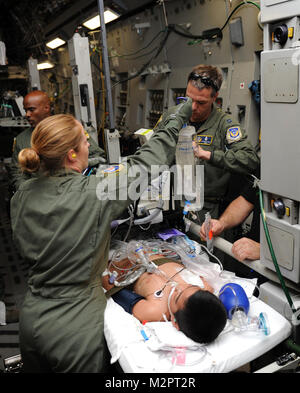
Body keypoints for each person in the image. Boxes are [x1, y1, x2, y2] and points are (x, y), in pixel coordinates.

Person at [10, 98, 192, 373]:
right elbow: (148, 163)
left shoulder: (20, 196)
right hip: (75, 327)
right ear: (71, 154)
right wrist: (175, 120)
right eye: (84, 141)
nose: (88, 145)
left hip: (32, 319)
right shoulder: (96, 192)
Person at [154, 64, 260, 222]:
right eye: (189, 100)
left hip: (205, 208)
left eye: (201, 102)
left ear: (214, 98)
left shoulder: (225, 124)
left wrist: (207, 155)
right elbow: (152, 145)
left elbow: (250, 159)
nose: (193, 107)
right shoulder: (172, 115)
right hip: (170, 200)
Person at [102, 255, 227, 344]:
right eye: (191, 286)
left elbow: (114, 290)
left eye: (177, 297)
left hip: (121, 259)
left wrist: (102, 270)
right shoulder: (205, 289)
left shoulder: (154, 311)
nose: (179, 286)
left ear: (175, 321)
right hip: (154, 246)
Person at [9, 90, 106, 191]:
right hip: (40, 191)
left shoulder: (68, 128)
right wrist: (27, 192)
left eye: (31, 110)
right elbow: (17, 173)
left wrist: (79, 176)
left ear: (46, 108)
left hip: (74, 188)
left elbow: (98, 157)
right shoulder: (22, 139)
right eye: (26, 110)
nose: (27, 114)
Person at [200, 173, 260, 262]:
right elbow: (246, 200)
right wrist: (221, 223)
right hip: (254, 261)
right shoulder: (267, 168)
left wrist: (264, 251)